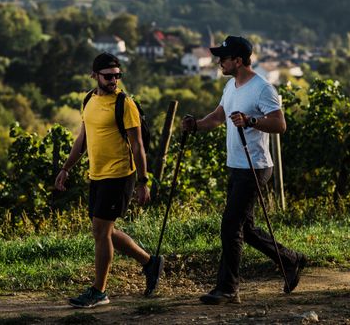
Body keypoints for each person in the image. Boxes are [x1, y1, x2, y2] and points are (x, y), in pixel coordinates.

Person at [182, 35, 306, 304]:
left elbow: (279, 125)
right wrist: (196, 126)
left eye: (223, 58)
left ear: (238, 60)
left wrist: (250, 120)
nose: (218, 62)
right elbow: (217, 117)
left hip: (256, 166)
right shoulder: (231, 87)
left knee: (230, 226)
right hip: (237, 166)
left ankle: (228, 289)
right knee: (245, 229)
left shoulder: (262, 88)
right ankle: (291, 260)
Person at [55, 52, 163, 308]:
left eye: (117, 75)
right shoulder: (89, 100)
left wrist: (142, 181)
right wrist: (66, 168)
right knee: (107, 232)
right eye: (108, 76)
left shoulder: (125, 104)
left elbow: (138, 146)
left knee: (100, 232)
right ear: (95, 76)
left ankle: (99, 291)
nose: (114, 80)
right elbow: (82, 138)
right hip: (97, 175)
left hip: (119, 175)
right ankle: (150, 262)